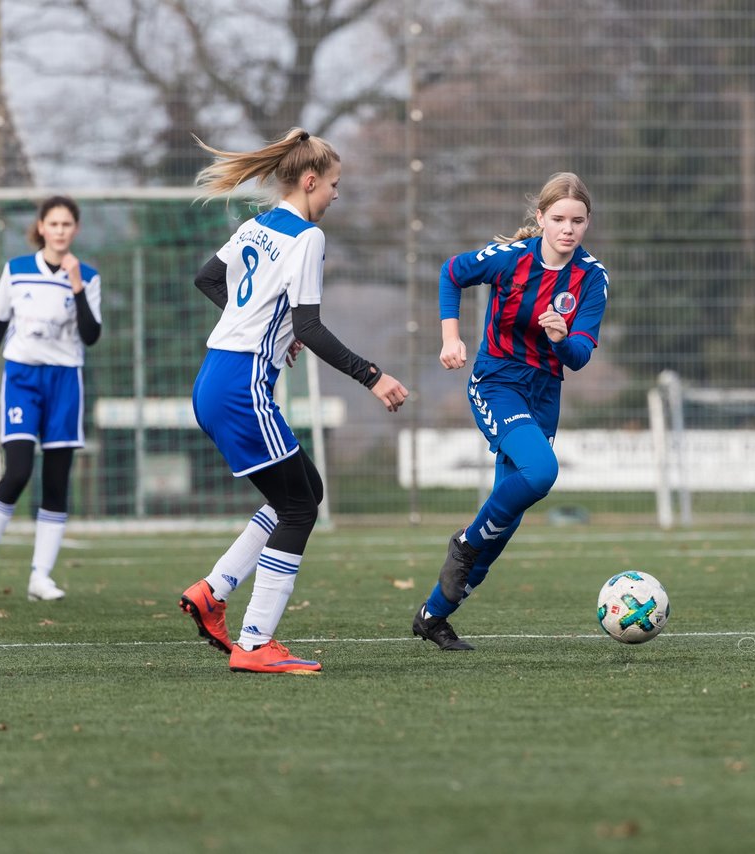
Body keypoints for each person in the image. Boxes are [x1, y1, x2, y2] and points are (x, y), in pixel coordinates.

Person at [177, 127, 409, 674]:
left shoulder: (257, 225)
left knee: (305, 491)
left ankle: (214, 592)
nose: (335, 195)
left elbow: (209, 279)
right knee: (301, 508)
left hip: (214, 379)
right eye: (334, 185)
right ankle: (255, 644)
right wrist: (372, 376)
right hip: (241, 390)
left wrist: (265, 324)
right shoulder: (308, 238)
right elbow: (312, 324)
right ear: (309, 181)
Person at [412, 172, 609, 651]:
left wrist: (561, 338)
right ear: (540, 218)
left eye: (577, 221)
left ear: (587, 224)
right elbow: (451, 273)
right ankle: (464, 544)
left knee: (505, 523)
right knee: (540, 473)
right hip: (497, 383)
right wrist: (450, 337)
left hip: (544, 394)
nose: (568, 229)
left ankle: (433, 615)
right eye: (558, 218)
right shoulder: (510, 260)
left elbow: (581, 356)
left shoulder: (592, 278)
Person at [0, 196, 102, 602]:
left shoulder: (87, 277)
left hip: (65, 383)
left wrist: (76, 285)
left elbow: (91, 335)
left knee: (56, 481)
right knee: (17, 472)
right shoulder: (16, 271)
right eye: (52, 223)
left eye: (66, 224)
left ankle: (41, 576)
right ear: (41, 227)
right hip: (21, 379)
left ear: (75, 229)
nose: (59, 230)